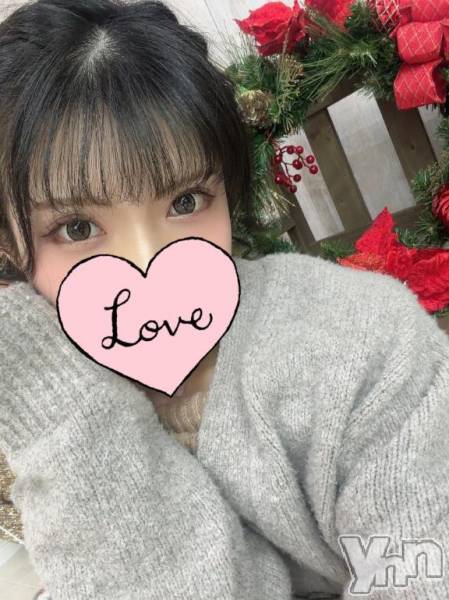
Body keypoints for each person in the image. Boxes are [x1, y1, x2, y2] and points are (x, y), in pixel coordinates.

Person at [0, 1, 448, 599]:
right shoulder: (42, 389)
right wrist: (64, 414)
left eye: (185, 201)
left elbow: (419, 572)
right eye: (77, 228)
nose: (146, 263)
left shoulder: (368, 343)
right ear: (8, 242)